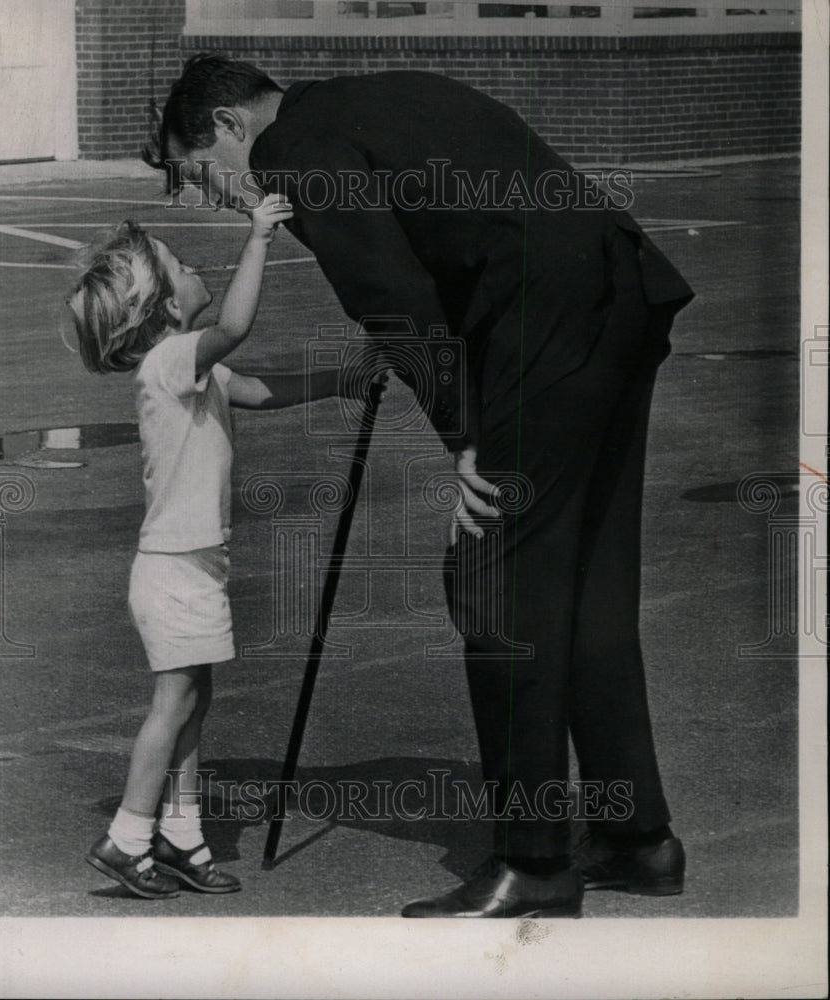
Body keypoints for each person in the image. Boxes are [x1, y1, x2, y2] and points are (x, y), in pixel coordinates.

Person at [146, 55, 694, 918]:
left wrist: (463, 438)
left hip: (546, 323)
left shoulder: (292, 151)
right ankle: (635, 837)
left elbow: (391, 295)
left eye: (196, 174)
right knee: (584, 584)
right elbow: (447, 242)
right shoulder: (361, 99)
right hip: (615, 294)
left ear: (227, 126)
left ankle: (535, 859)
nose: (209, 194)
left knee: (494, 582)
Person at [69, 196, 377, 899]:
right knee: (173, 702)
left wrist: (344, 380)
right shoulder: (173, 360)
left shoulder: (186, 368)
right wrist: (259, 238)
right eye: (179, 266)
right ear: (164, 309)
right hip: (175, 567)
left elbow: (263, 391)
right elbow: (236, 327)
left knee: (193, 699)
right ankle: (125, 838)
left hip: (194, 561)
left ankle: (180, 837)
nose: (193, 265)